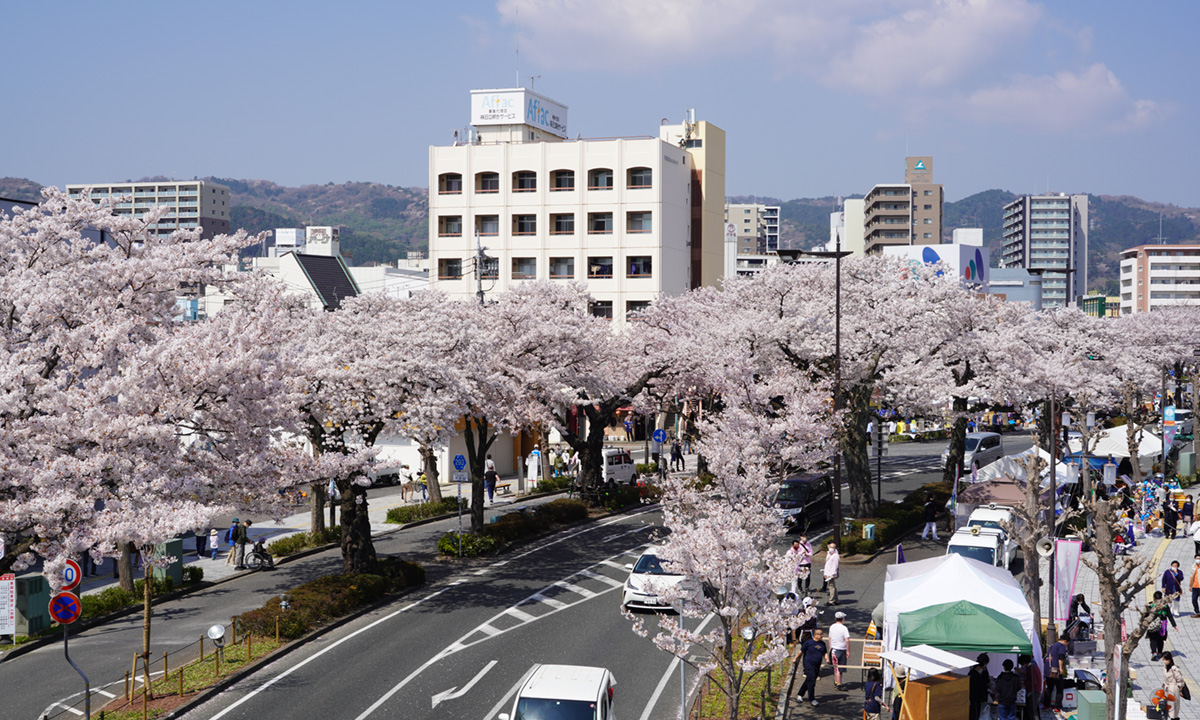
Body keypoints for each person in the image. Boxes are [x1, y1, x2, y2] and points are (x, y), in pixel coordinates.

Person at [795, 627, 827, 707]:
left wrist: (827, 659)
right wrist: (795, 658)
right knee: (812, 681)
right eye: (820, 634)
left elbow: (824, 653)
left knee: (809, 680)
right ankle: (812, 699)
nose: (821, 636)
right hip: (808, 664)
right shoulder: (808, 643)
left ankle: (800, 694)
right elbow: (801, 651)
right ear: (815, 635)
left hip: (817, 665)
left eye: (822, 634)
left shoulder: (822, 644)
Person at [1149, 590, 1177, 661]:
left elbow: (1146, 615)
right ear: (1161, 597)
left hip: (1153, 625)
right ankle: (1159, 652)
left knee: (1153, 639)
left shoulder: (1151, 605)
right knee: (1160, 639)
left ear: (1154, 598)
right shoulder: (1165, 606)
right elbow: (1170, 616)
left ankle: (1154, 652)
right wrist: (1174, 625)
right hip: (1162, 625)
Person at [1017, 654, 1042, 720]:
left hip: (1034, 691)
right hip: (1035, 690)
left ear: (1024, 663)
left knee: (1033, 712)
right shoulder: (1033, 667)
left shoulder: (1031, 668)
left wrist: (1024, 682)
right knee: (1034, 710)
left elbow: (1033, 682)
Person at [829, 612, 850, 691]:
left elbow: (830, 638)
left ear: (835, 618)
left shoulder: (832, 627)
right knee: (840, 668)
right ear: (843, 619)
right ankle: (839, 684)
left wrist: (830, 648)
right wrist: (848, 651)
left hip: (833, 649)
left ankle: (836, 681)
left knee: (835, 667)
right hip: (841, 649)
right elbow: (847, 640)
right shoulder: (844, 628)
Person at [1162, 651, 1186, 720]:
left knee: (1173, 706)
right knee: (1168, 705)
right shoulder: (1165, 668)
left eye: (1165, 660)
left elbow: (1180, 679)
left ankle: (1173, 718)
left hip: (1173, 689)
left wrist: (1180, 688)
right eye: (1163, 660)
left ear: (1169, 659)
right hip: (1167, 688)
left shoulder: (1174, 669)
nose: (1164, 661)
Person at [1045, 637, 1068, 709]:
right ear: (1065, 641)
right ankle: (1057, 707)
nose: (1067, 645)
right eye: (1067, 643)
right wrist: (1061, 668)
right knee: (1060, 689)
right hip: (1056, 671)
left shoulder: (1052, 645)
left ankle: (1046, 705)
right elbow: (1061, 657)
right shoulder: (1062, 646)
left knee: (1049, 688)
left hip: (1048, 670)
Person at [968, 653, 991, 720]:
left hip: (975, 696)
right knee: (975, 712)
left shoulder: (972, 672)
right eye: (982, 667)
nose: (982, 668)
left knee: (975, 711)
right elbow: (982, 682)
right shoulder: (975, 674)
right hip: (975, 696)